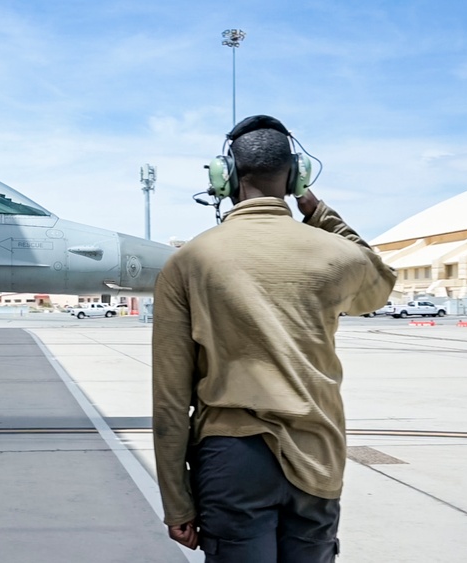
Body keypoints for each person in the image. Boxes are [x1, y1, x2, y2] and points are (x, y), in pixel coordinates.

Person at [152, 115, 396, 562]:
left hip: (231, 459)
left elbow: (170, 397)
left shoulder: (189, 261)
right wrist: (319, 212)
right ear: (297, 175)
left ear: (225, 177)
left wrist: (176, 500)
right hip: (317, 454)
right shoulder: (337, 254)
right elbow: (381, 280)